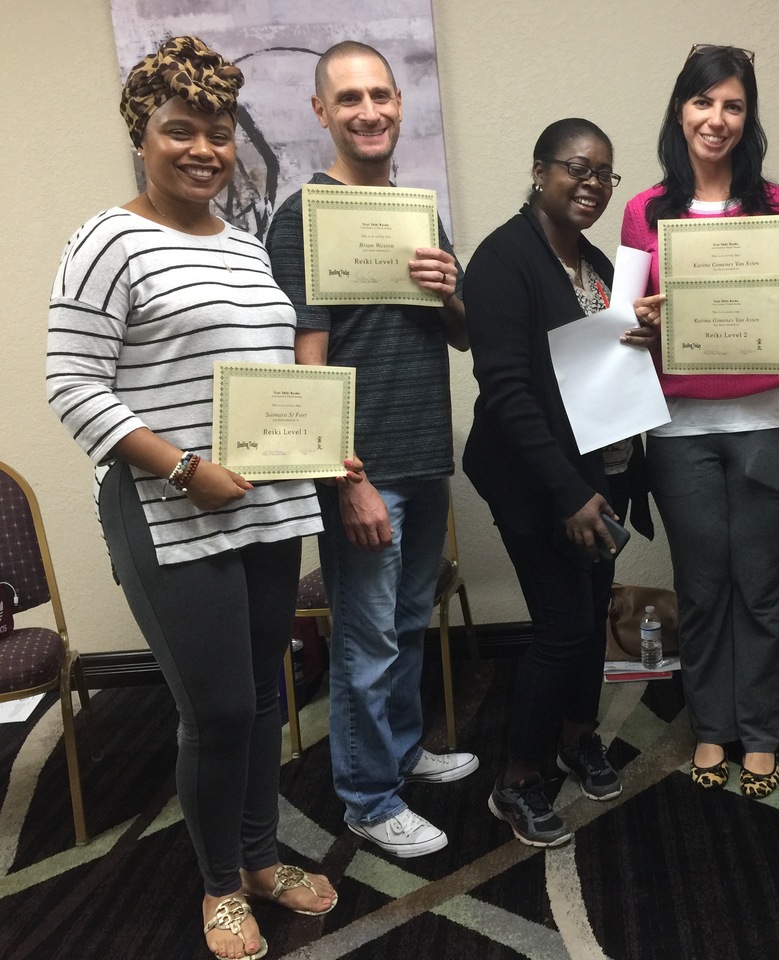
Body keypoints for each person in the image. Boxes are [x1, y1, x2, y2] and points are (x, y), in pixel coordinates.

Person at [47, 36, 337, 960]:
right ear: (143, 135)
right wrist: (182, 468)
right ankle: (220, 886)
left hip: (264, 507)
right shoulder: (107, 241)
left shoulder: (246, 248)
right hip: (167, 509)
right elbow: (72, 384)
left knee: (261, 699)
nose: (204, 150)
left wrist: (320, 440)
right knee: (214, 712)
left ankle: (260, 858)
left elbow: (265, 377)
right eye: (181, 130)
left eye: (218, 132)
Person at [265, 41, 477, 860]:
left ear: (399, 104)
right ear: (322, 112)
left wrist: (450, 291)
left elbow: (461, 335)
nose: (369, 111)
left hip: (423, 457)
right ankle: (367, 797)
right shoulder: (303, 217)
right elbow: (305, 364)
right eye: (349, 98)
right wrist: (344, 479)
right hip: (363, 470)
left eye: (380, 95)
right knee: (366, 641)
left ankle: (399, 751)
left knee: (407, 626)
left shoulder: (415, 211)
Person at [625, 45, 779, 799]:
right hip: (680, 430)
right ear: (681, 111)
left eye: (733, 105)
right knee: (702, 587)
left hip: (767, 422)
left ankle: (761, 732)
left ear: (748, 117)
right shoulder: (646, 210)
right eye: (704, 102)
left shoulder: (776, 203)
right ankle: (711, 725)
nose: (717, 119)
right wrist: (638, 320)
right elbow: (620, 326)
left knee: (762, 586)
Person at [464, 118, 653, 846]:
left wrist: (643, 340)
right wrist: (568, 493)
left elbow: (601, 369)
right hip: (535, 479)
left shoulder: (595, 263)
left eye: (605, 173)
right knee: (562, 627)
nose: (593, 184)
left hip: (599, 474)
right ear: (541, 170)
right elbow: (508, 392)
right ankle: (515, 781)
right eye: (578, 168)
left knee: (593, 610)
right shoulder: (502, 260)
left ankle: (578, 738)